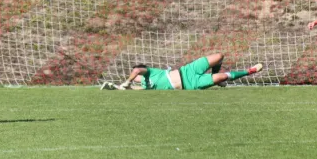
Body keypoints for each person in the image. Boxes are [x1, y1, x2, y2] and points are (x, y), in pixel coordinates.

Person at [101, 53, 262, 90]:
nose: (135, 76)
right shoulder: (144, 87)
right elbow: (135, 90)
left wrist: (127, 81)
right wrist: (124, 88)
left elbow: (136, 70)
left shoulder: (148, 72)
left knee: (219, 56)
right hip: (190, 84)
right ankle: (250, 71)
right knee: (221, 76)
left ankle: (219, 81)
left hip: (187, 70)